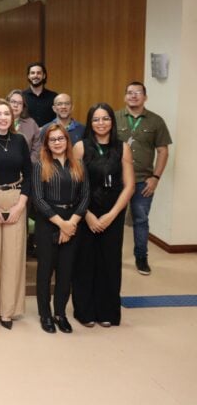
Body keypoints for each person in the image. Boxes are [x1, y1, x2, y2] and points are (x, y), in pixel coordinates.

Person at [72, 103, 135, 327]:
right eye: (96, 119)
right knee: (85, 261)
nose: (101, 123)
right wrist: (86, 214)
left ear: (112, 121)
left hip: (113, 211)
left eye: (105, 118)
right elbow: (75, 185)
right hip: (85, 211)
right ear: (90, 123)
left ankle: (107, 311)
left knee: (109, 262)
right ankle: (85, 312)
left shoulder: (122, 148)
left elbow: (129, 185)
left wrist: (112, 214)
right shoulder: (80, 147)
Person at [0, 99, 32, 331]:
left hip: (16, 199)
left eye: (6, 114)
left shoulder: (20, 141)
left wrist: (20, 205)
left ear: (12, 118)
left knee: (13, 258)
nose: (2, 118)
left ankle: (7, 311)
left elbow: (29, 175)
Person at [32, 123, 90, 334]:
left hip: (73, 222)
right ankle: (45, 314)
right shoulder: (40, 165)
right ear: (47, 143)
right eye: (52, 139)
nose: (57, 142)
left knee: (66, 272)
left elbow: (85, 197)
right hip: (49, 223)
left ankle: (60, 314)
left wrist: (71, 223)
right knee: (45, 271)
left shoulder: (79, 165)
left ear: (67, 140)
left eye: (61, 138)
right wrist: (61, 224)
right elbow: (38, 199)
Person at [115, 81, 171, 275]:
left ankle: (141, 257)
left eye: (138, 92)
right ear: (125, 97)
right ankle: (112, 257)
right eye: (129, 92)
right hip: (117, 181)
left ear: (145, 97)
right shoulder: (114, 118)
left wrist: (155, 177)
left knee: (141, 219)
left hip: (142, 181)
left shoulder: (156, 121)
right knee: (114, 219)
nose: (133, 96)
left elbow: (163, 151)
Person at [7, 89, 41, 161]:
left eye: (20, 103)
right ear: (7, 103)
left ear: (23, 107)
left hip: (26, 168)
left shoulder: (31, 124)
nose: (16, 105)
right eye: (13, 102)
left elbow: (37, 149)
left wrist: (27, 165)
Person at [22, 62, 58, 127]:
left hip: (48, 135)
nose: (35, 75)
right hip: (26, 136)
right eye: (32, 73)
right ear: (28, 76)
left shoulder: (54, 96)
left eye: (39, 73)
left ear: (44, 76)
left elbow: (58, 118)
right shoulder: (21, 96)